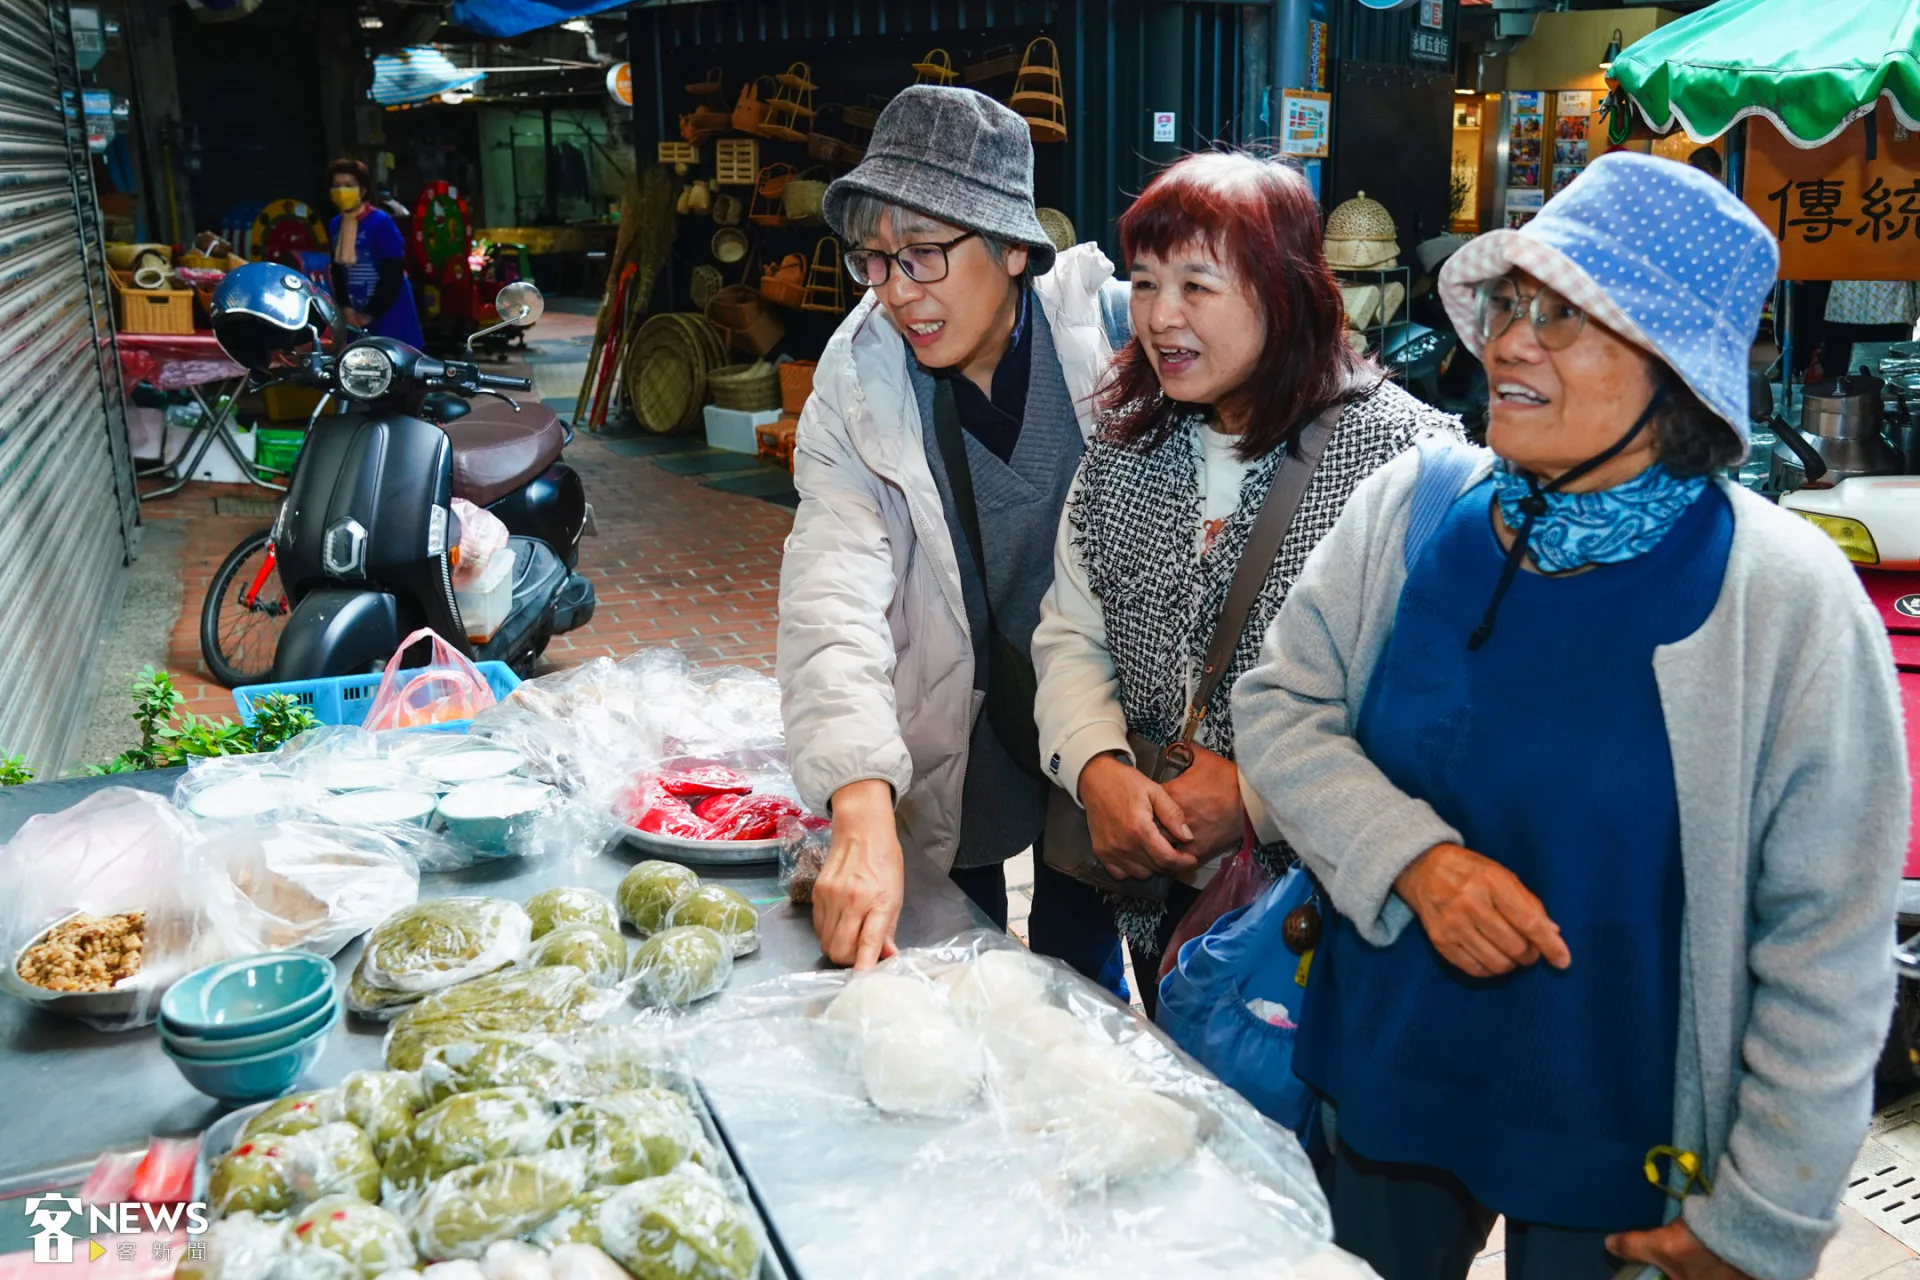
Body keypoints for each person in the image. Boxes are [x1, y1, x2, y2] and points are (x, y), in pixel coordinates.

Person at [1233, 149, 1907, 1280]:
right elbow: (1283, 706)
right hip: (1388, 1082)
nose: (1506, 342)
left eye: (1566, 315)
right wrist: (1413, 862)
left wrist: (1765, 1213)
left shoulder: (1781, 598)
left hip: (1618, 1139)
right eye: (1508, 304)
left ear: (1677, 372)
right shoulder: (1419, 507)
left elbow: (1828, 941)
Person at [1030, 151, 1460, 1001]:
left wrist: (1260, 800)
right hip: (1159, 900)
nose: (1160, 316)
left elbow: (1428, 701)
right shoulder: (1125, 451)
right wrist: (1097, 770)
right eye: (1145, 283)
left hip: (1323, 915)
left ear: (1283, 290)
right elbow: (1070, 635)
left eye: (1198, 285)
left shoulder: (1407, 462)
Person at [776, 87, 1126, 980]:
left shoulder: (1109, 344)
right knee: (946, 950)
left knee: (1081, 942)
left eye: (924, 255)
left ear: (1013, 247)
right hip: (948, 711)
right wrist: (856, 805)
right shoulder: (857, 389)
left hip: (1095, 711)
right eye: (875, 261)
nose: (898, 293)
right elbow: (831, 594)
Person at [326, 158, 424, 348]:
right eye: (336, 186)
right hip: (354, 313)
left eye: (348, 185)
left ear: (362, 190)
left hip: (389, 311)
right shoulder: (335, 225)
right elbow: (337, 270)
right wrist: (346, 309)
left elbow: (393, 271)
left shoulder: (381, 222)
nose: (341, 191)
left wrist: (369, 313)